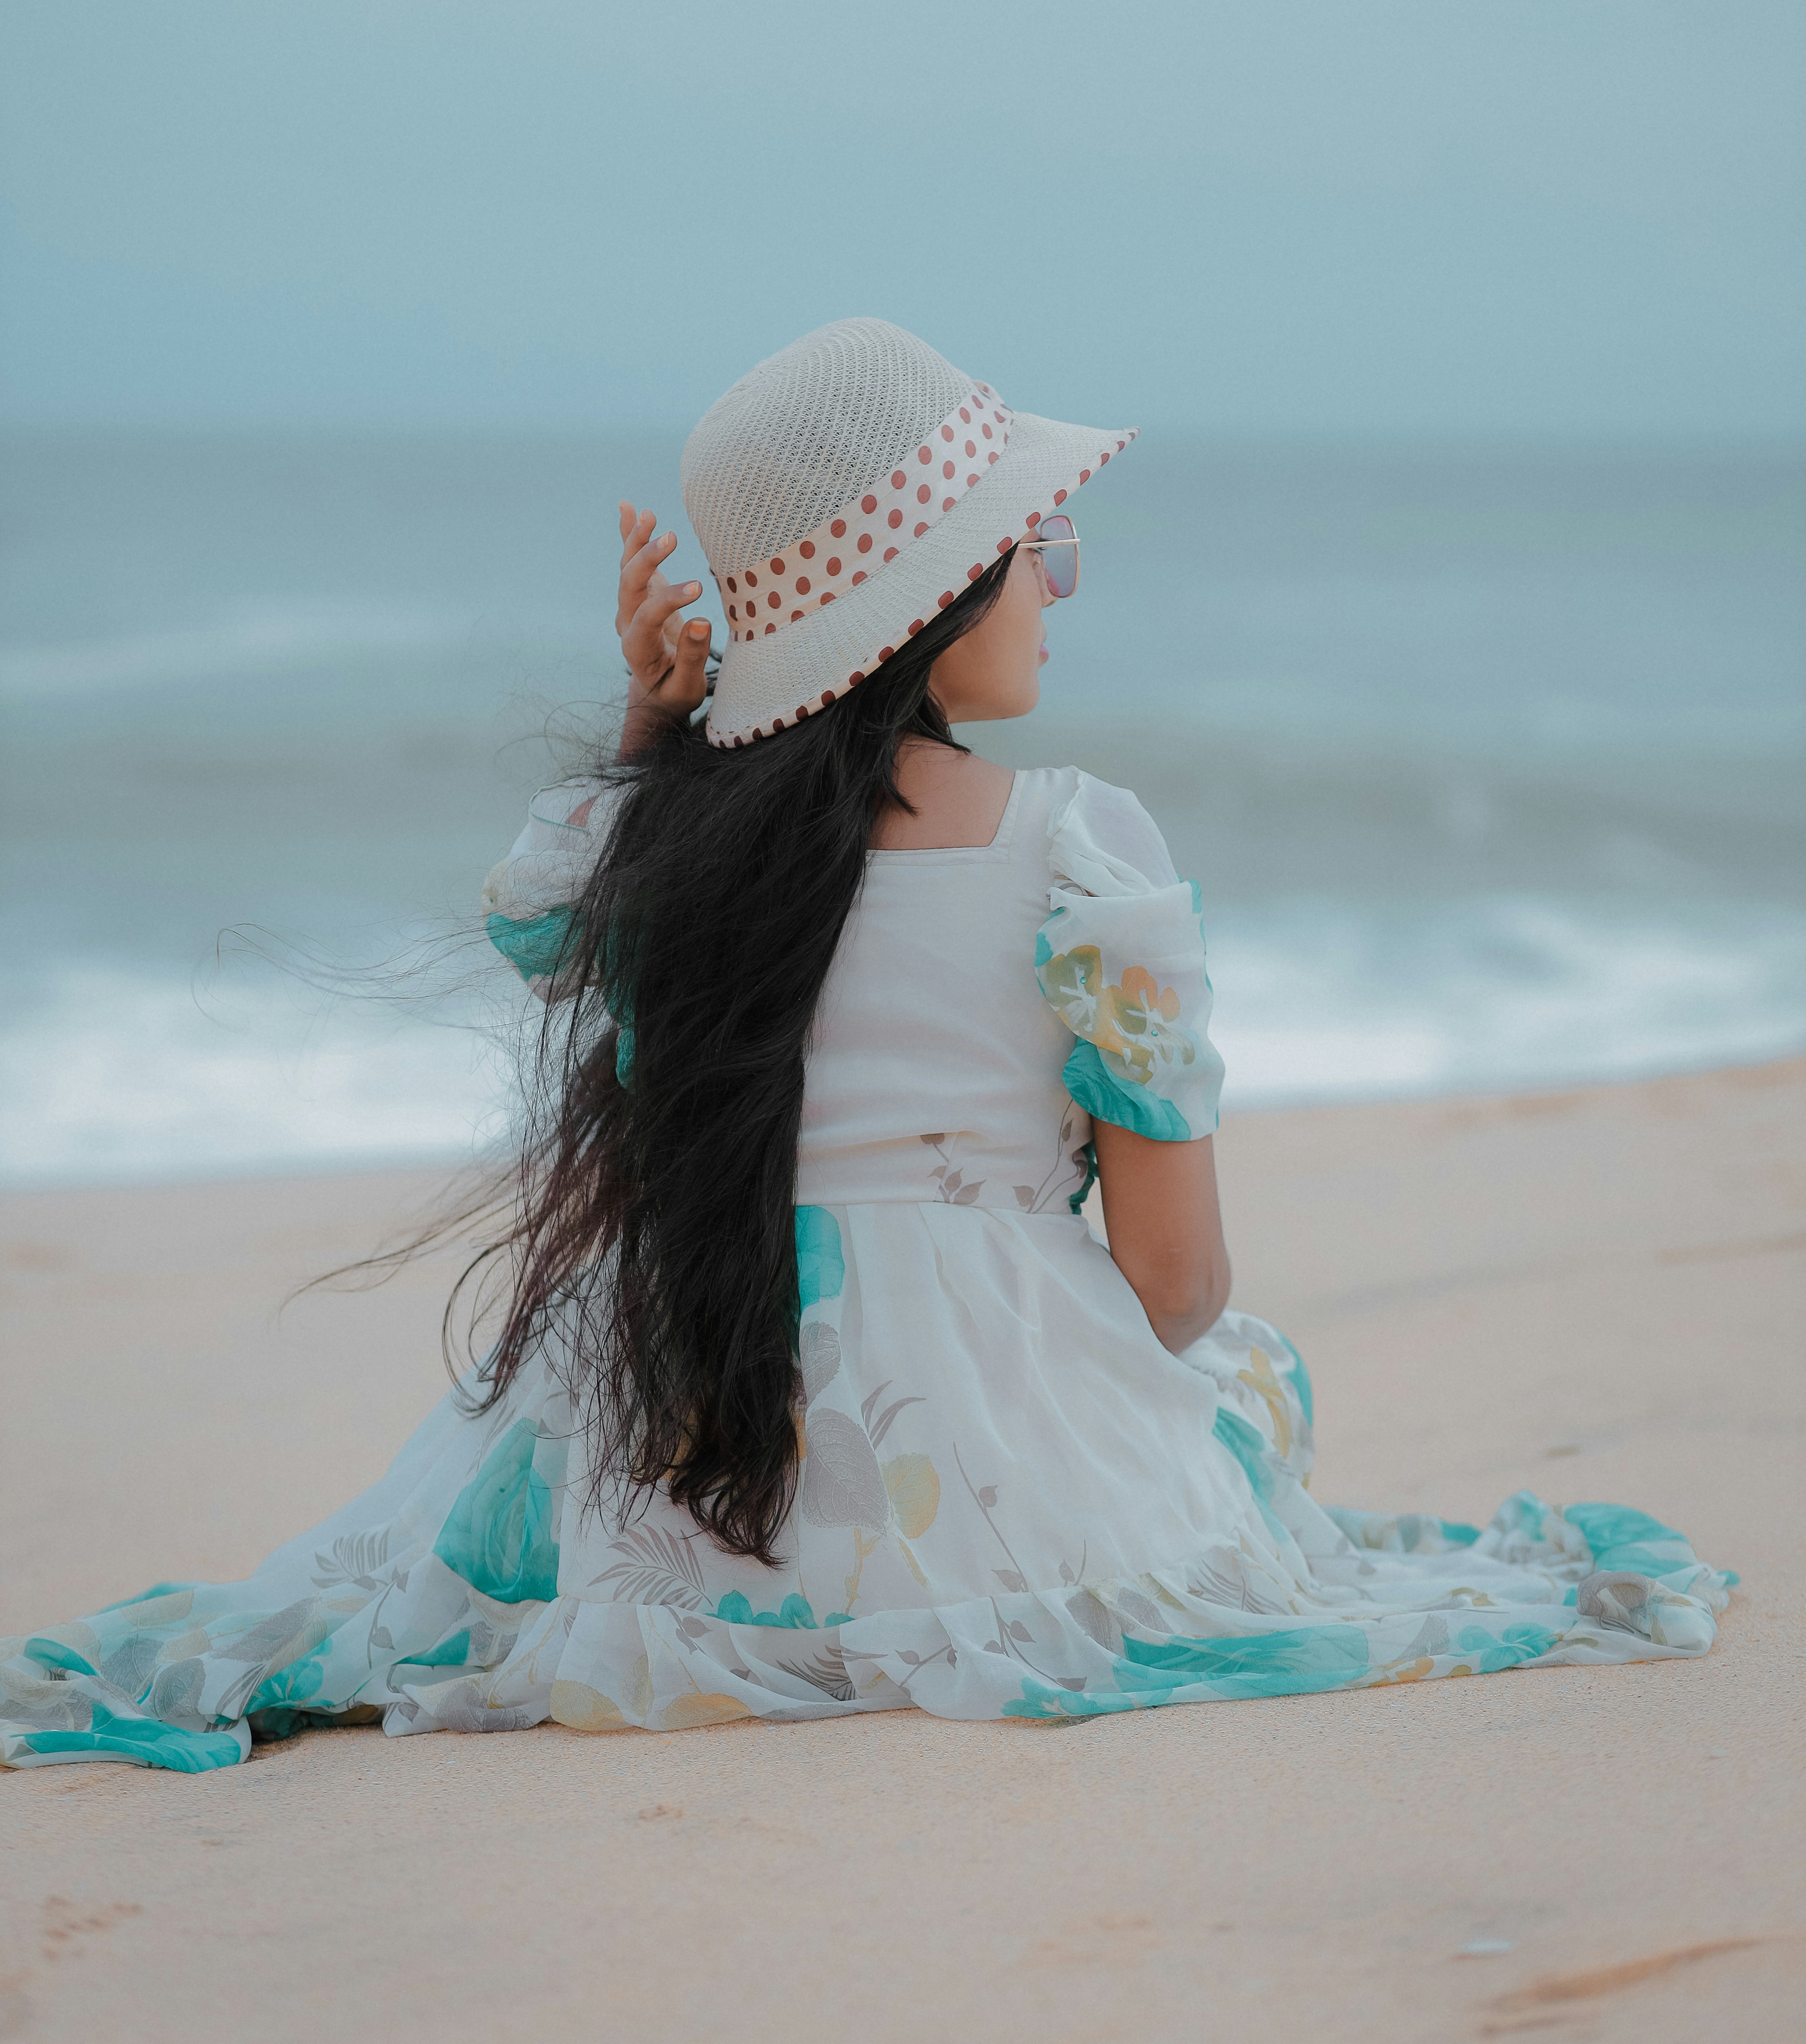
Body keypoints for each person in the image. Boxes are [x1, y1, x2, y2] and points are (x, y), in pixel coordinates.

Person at [0, 318, 1732, 1770]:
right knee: (1243, 1383)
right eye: (1035, 547)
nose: (1059, 586)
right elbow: (1178, 1285)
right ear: (936, 592)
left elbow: (542, 925)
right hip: (988, 1466)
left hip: (676, 1438)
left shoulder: (663, 849)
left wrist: (655, 736)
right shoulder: (1077, 845)